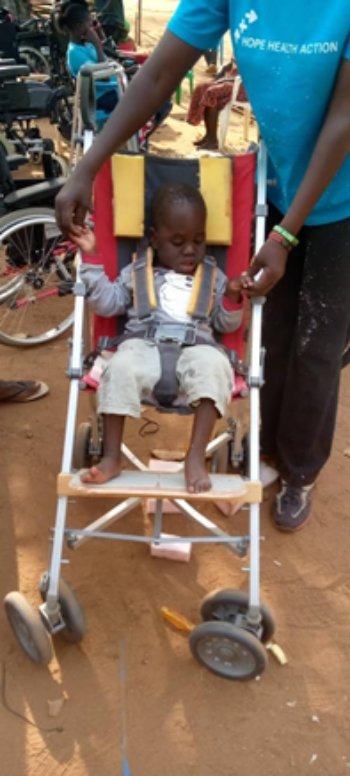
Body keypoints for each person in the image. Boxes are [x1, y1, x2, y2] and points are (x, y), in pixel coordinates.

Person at [55, 2, 350, 532]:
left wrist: (285, 235)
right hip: (279, 180)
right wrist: (88, 165)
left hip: (344, 190)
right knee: (275, 334)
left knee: (317, 344)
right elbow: (161, 72)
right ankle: (266, 451)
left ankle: (299, 468)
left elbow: (344, 115)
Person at [71, 183, 246, 493]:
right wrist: (92, 257)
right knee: (120, 367)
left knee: (215, 366)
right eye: (177, 242)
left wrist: (232, 298)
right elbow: (109, 303)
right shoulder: (137, 272)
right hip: (143, 345)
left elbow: (225, 323)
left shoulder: (213, 277)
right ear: (154, 238)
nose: (190, 250)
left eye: (198, 240)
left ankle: (195, 456)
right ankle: (112, 456)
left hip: (197, 348)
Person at [58, 2, 119, 114]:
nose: (92, 28)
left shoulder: (86, 45)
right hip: (101, 99)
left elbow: (107, 64)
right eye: (89, 24)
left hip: (112, 90)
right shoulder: (74, 53)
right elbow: (104, 77)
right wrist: (97, 45)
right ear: (79, 26)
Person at [187, 58, 247, 149]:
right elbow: (233, 63)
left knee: (212, 92)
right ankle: (208, 135)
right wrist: (223, 73)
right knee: (202, 86)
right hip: (232, 79)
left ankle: (212, 140)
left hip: (246, 86)